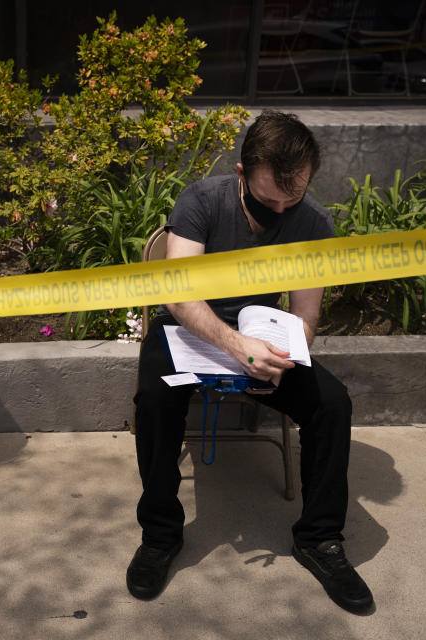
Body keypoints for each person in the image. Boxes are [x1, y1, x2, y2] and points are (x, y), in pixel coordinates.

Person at [127, 110, 373, 614]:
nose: (281, 209)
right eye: (267, 199)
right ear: (242, 173)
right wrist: (236, 347)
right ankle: (159, 534)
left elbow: (305, 317)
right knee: (155, 395)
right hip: (188, 329)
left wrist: (283, 359)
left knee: (333, 403)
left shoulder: (314, 223)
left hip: (263, 339)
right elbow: (178, 295)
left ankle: (319, 539)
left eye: (293, 197)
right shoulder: (202, 200)